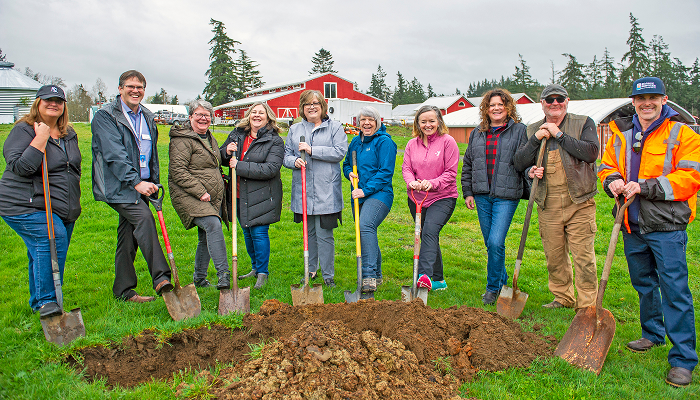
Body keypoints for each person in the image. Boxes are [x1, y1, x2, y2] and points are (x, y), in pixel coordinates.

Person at [598, 77, 700, 388]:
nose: (647, 103)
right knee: (643, 282)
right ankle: (653, 334)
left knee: (674, 289)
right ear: (633, 101)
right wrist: (612, 179)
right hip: (630, 222)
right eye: (641, 98)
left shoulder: (682, 133)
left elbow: (690, 177)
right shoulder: (620, 132)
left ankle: (683, 359)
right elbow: (605, 165)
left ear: (664, 99)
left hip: (666, 224)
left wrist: (645, 187)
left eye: (653, 98)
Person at [513, 84, 599, 309]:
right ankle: (563, 297)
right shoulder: (532, 129)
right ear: (542, 104)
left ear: (567, 101)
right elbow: (520, 162)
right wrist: (532, 164)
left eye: (559, 99)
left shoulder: (583, 123)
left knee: (584, 258)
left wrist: (558, 135)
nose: (554, 103)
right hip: (547, 202)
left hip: (579, 201)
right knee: (555, 256)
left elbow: (590, 152)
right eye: (549, 100)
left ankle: (587, 305)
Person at [91, 70, 173, 303]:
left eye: (140, 87)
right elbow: (114, 154)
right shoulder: (106, 116)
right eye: (130, 86)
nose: (135, 91)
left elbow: (151, 152)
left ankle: (124, 290)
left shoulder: (146, 115)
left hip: (144, 185)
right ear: (120, 89)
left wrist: (152, 182)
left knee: (128, 236)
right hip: (120, 186)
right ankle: (161, 277)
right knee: (144, 219)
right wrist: (135, 182)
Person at [0, 85, 81, 318]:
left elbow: (72, 168)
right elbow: (21, 167)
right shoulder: (23, 131)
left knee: (43, 249)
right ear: (38, 102)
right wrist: (41, 138)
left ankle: (40, 300)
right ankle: (48, 302)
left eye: (58, 100)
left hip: (58, 207)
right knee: (50, 239)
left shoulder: (69, 134)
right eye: (48, 100)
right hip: (24, 204)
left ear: (64, 105)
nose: (53, 104)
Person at [461, 89, 528, 305]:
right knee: (491, 245)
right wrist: (468, 192)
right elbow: (468, 164)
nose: (496, 108)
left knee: (496, 241)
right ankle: (503, 281)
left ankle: (492, 289)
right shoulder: (477, 133)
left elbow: (526, 161)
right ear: (486, 109)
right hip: (481, 195)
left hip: (506, 195)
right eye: (492, 105)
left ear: (508, 107)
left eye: (501, 104)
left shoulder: (519, 131)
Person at [283, 90, 348, 287]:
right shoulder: (294, 129)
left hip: (326, 191)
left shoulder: (335, 128)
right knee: (308, 232)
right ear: (302, 108)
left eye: (316, 103)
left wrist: (312, 150)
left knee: (324, 234)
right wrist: (294, 161)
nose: (312, 107)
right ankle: (310, 269)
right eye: (307, 104)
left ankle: (328, 275)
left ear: (322, 106)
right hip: (303, 191)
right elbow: (286, 155)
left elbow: (339, 152)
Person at [221, 102, 284, 290]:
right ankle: (255, 268)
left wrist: (239, 166)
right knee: (247, 232)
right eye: (254, 112)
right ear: (248, 115)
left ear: (268, 117)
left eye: (261, 113)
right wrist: (226, 151)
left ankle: (263, 273)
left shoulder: (274, 141)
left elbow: (271, 169)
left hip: (262, 195)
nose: (257, 115)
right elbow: (222, 158)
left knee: (258, 232)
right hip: (239, 193)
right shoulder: (237, 134)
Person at [168, 100, 230, 290]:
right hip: (188, 194)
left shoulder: (209, 137)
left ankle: (200, 278)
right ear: (190, 117)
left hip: (209, 195)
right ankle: (224, 276)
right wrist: (200, 191)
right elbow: (177, 171)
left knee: (205, 235)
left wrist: (225, 153)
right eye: (199, 114)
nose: (203, 118)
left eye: (207, 115)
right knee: (212, 225)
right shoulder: (182, 139)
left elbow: (211, 163)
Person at [402, 105, 459, 291]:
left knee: (428, 232)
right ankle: (439, 281)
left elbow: (451, 173)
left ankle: (423, 276)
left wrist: (432, 183)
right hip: (416, 198)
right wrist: (411, 182)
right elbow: (407, 169)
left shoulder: (448, 142)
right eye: (423, 121)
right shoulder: (412, 144)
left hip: (442, 197)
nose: (428, 125)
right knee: (428, 235)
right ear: (418, 123)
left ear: (439, 122)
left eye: (432, 121)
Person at [342, 106, 397, 294]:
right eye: (363, 119)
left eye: (370, 120)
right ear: (358, 123)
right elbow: (347, 163)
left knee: (365, 226)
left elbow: (385, 173)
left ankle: (369, 276)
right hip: (359, 193)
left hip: (379, 194)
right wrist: (348, 172)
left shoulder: (385, 143)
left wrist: (364, 191)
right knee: (367, 230)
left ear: (377, 122)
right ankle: (378, 274)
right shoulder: (356, 142)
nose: (366, 123)